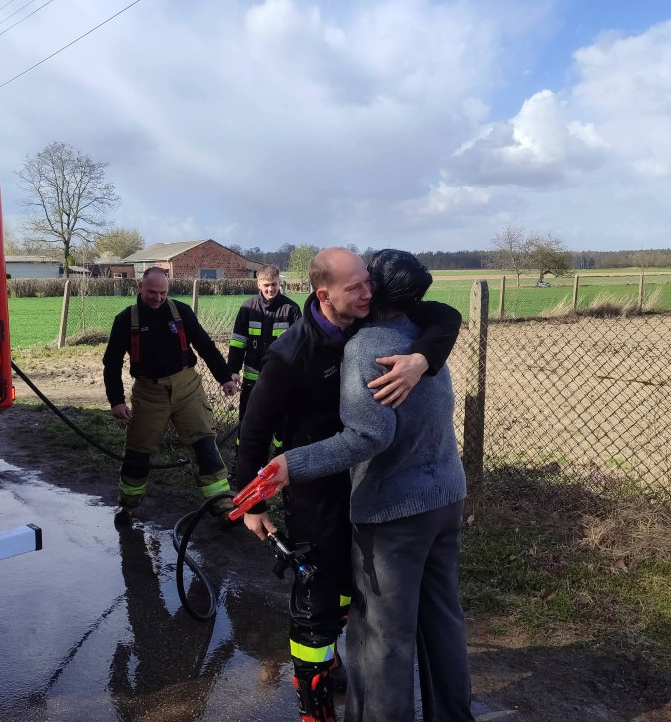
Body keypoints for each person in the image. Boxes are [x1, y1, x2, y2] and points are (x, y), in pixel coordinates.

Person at [237, 248, 462, 722]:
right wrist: (250, 500)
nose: (366, 292)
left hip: (378, 492)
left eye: (369, 282)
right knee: (324, 597)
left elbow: (370, 433)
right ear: (324, 294)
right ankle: (315, 695)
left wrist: (422, 359)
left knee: (381, 629)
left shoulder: (385, 335)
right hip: (326, 492)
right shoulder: (292, 353)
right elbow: (253, 430)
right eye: (355, 286)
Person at [103, 267, 239, 523]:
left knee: (204, 445)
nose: (158, 298)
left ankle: (223, 506)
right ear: (140, 287)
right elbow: (111, 363)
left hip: (187, 387)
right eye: (152, 292)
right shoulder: (125, 320)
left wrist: (225, 378)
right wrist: (116, 401)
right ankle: (127, 505)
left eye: (163, 293)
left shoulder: (181, 312)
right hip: (148, 392)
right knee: (138, 452)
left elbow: (205, 346)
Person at [227, 264, 302, 486]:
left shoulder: (291, 309)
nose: (271, 289)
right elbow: (237, 342)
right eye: (267, 285)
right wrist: (232, 370)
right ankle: (240, 471)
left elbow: (301, 347)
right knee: (247, 428)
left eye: (275, 285)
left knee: (284, 430)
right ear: (258, 284)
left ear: (281, 283)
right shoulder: (248, 308)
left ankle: (279, 473)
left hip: (282, 385)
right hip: (252, 383)